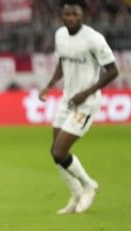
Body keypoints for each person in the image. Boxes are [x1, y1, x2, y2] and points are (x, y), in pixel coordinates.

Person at [39, 0, 119, 214]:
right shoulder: (60, 35)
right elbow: (62, 63)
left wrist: (86, 93)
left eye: (75, 14)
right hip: (68, 100)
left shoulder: (94, 39)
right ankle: (75, 194)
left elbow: (113, 71)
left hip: (87, 102)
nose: (70, 18)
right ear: (62, 16)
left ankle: (89, 185)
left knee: (59, 151)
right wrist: (49, 85)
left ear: (82, 16)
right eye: (67, 15)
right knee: (55, 152)